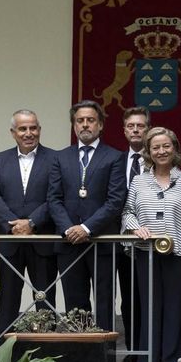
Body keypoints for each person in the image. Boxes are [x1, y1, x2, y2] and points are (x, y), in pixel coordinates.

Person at [121, 126, 181, 362]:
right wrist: (137, 228)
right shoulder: (138, 181)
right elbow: (127, 213)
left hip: (178, 253)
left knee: (172, 308)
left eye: (166, 146)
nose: (161, 151)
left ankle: (171, 361)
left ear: (175, 149)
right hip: (145, 253)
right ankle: (146, 361)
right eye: (155, 147)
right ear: (148, 152)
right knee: (148, 307)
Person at [48, 100, 126, 329]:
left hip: (102, 242)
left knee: (104, 301)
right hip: (68, 243)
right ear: (74, 126)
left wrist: (86, 228)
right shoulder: (60, 157)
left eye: (90, 120)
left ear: (100, 125)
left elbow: (115, 201)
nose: (85, 125)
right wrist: (68, 229)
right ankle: (79, 355)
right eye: (79, 121)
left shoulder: (114, 157)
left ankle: (104, 356)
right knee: (75, 302)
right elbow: (54, 198)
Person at [0, 109, 57, 337]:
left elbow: (55, 196)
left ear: (39, 129)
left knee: (45, 299)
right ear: (13, 132)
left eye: (33, 127)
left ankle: (48, 353)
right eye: (23, 128)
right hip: (9, 241)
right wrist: (12, 225)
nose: (29, 133)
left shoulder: (55, 158)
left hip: (42, 239)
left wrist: (32, 223)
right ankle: (4, 355)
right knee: (8, 299)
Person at [117, 106, 151, 362]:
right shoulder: (115, 161)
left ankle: (152, 352)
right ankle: (133, 352)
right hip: (120, 243)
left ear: (148, 129)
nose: (136, 130)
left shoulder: (158, 159)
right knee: (129, 301)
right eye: (131, 126)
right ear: (125, 130)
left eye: (140, 125)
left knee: (149, 298)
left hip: (151, 243)